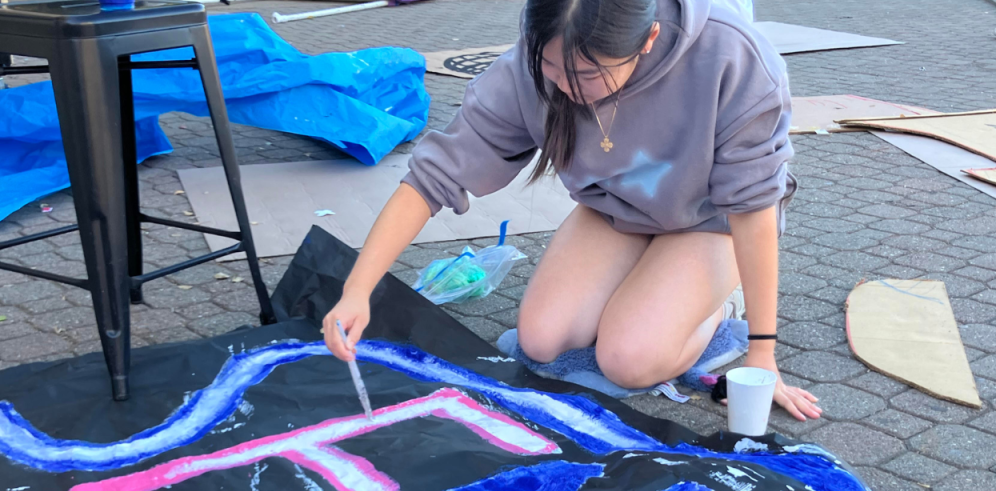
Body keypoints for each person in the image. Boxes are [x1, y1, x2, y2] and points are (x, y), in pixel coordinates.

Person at [323, 0, 821, 421]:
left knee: (629, 358)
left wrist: (762, 355)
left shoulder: (731, 55)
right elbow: (434, 176)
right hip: (615, 212)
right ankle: (655, 287)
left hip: (711, 222)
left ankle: (718, 307)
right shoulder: (530, 64)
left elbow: (754, 207)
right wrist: (358, 289)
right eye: (552, 67)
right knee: (540, 341)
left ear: (647, 40)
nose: (566, 88)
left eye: (588, 74)